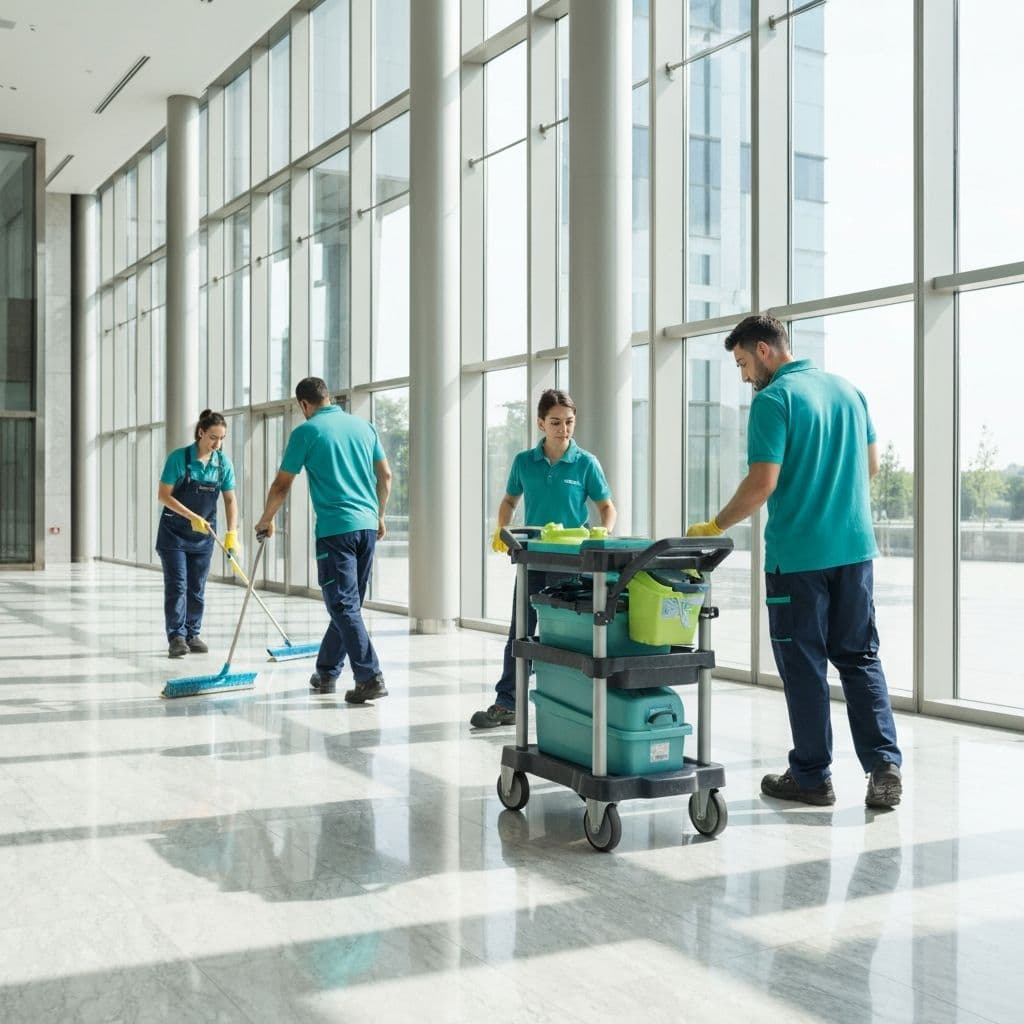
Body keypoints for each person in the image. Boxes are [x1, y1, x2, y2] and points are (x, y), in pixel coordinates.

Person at [687, 314, 902, 809]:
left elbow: (762, 484)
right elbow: (868, 466)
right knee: (859, 656)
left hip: (798, 560)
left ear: (764, 350)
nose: (743, 377)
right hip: (853, 551)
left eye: (742, 363)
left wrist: (714, 526)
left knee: (804, 665)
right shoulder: (849, 391)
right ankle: (884, 769)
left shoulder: (773, 400)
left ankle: (811, 775)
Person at [471, 389, 617, 729]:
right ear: (540, 423)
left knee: (565, 637)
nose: (563, 429)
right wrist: (502, 530)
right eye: (555, 422)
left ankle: (568, 705)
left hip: (571, 565)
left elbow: (607, 507)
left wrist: (602, 533)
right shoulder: (525, 462)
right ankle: (507, 703)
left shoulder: (585, 463)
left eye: (569, 422)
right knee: (519, 632)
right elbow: (509, 501)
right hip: (532, 560)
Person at [255, 377, 392, 705]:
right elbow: (385, 476)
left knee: (342, 604)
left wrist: (266, 519)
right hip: (367, 528)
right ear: (328, 397)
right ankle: (327, 671)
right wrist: (380, 515)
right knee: (349, 605)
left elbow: (281, 485)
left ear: (304, 404)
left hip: (335, 530)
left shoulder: (306, 431)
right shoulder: (364, 427)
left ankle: (369, 676)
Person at [156, 410, 239, 658]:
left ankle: (192, 634)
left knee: (197, 586)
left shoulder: (222, 463)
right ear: (201, 432)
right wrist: (192, 516)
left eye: (222, 438)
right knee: (178, 584)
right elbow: (163, 496)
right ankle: (177, 636)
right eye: (213, 437)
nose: (217, 444)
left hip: (204, 536)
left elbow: (230, 500)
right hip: (174, 535)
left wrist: (231, 534)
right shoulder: (179, 459)